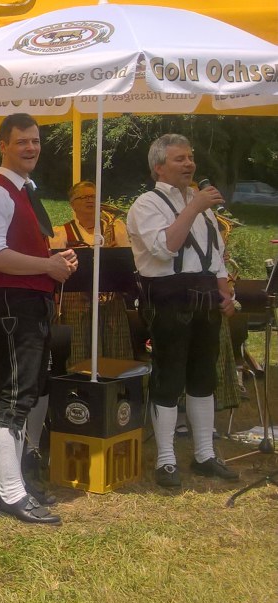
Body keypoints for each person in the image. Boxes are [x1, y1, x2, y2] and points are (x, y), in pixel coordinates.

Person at [0, 113, 76, 525]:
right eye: (22, 142)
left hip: (27, 304)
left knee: (23, 394)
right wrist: (47, 266)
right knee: (14, 398)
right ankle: (12, 493)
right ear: (3, 145)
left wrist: (54, 262)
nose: (31, 147)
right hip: (13, 306)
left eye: (35, 140)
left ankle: (15, 486)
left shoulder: (22, 190)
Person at [126, 133, 240, 488]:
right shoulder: (146, 204)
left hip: (205, 300)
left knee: (204, 376)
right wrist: (194, 208)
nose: (189, 164)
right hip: (168, 299)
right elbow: (165, 248)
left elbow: (215, 257)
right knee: (169, 377)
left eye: (190, 157)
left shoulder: (200, 206)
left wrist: (225, 294)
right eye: (180, 159)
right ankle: (166, 460)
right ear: (158, 167)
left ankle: (204, 455)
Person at [50, 181, 133, 363]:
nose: (90, 200)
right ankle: (80, 380)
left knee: (116, 351)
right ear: (73, 204)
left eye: (94, 196)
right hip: (76, 299)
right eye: (84, 197)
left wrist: (115, 254)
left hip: (111, 298)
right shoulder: (61, 232)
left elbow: (128, 262)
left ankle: (113, 381)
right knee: (79, 350)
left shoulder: (116, 227)